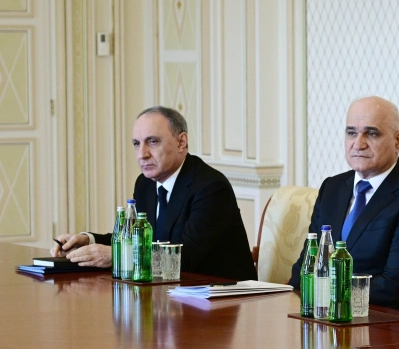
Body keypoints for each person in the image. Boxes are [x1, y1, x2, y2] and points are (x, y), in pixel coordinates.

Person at [52, 107, 256, 281]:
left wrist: (118, 255)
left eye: (152, 142)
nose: (142, 154)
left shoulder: (210, 187)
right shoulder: (145, 184)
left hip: (222, 299)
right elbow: (137, 240)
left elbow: (184, 258)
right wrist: (88, 242)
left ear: (181, 142)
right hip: (170, 294)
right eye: (136, 144)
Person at [288, 96, 399, 314]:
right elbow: (306, 265)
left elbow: (396, 287)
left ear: (397, 141)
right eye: (351, 133)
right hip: (320, 316)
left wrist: (324, 290)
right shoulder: (332, 187)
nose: (359, 144)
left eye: (372, 133)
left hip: (381, 322)